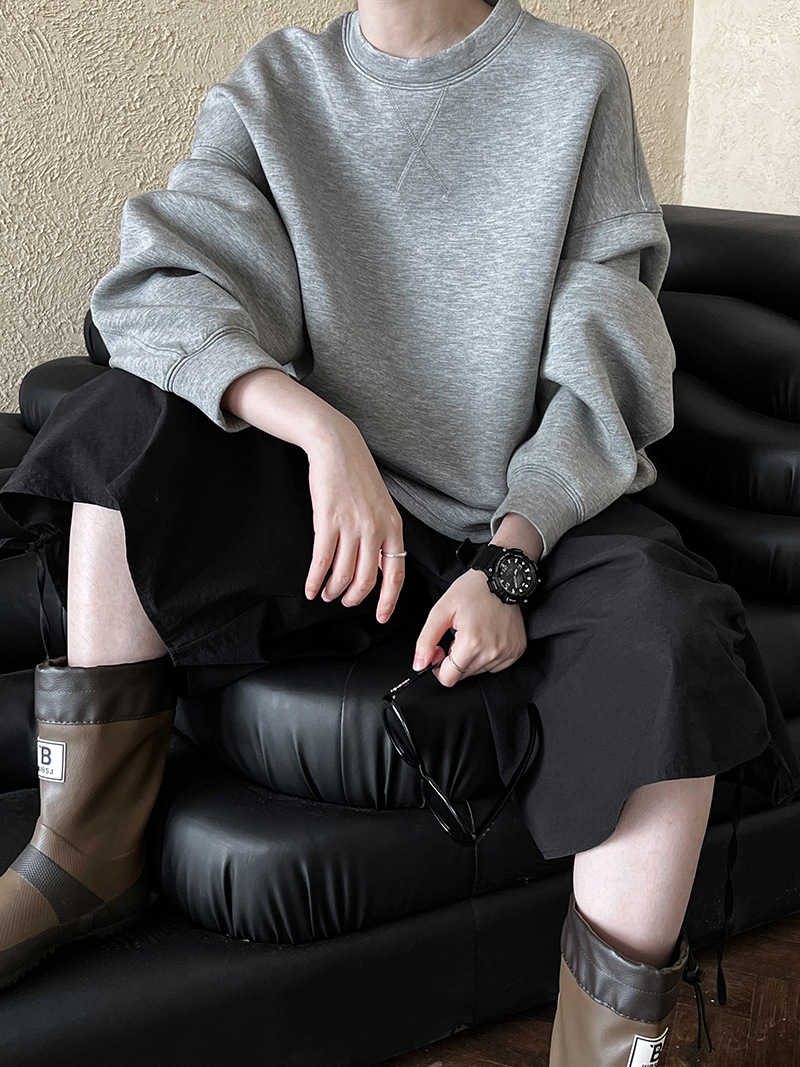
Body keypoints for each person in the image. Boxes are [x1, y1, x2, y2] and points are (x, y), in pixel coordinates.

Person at [0, 0, 798, 1062]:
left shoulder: (573, 82)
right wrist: (323, 433)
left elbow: (606, 360)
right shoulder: (281, 84)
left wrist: (509, 563)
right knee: (119, 418)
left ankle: (608, 1047)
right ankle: (84, 853)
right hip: (343, 523)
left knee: (667, 635)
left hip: (533, 513)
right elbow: (154, 294)